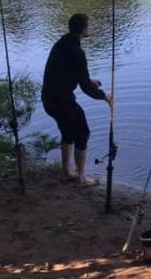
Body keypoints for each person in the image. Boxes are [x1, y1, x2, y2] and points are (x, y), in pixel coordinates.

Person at [42, 13, 111, 186]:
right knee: (82, 132)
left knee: (68, 132)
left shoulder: (61, 43)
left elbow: (69, 72)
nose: (90, 28)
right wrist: (105, 96)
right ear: (84, 30)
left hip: (48, 98)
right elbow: (86, 90)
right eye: (89, 26)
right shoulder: (77, 52)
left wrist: (88, 80)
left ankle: (66, 172)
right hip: (61, 102)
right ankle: (81, 178)